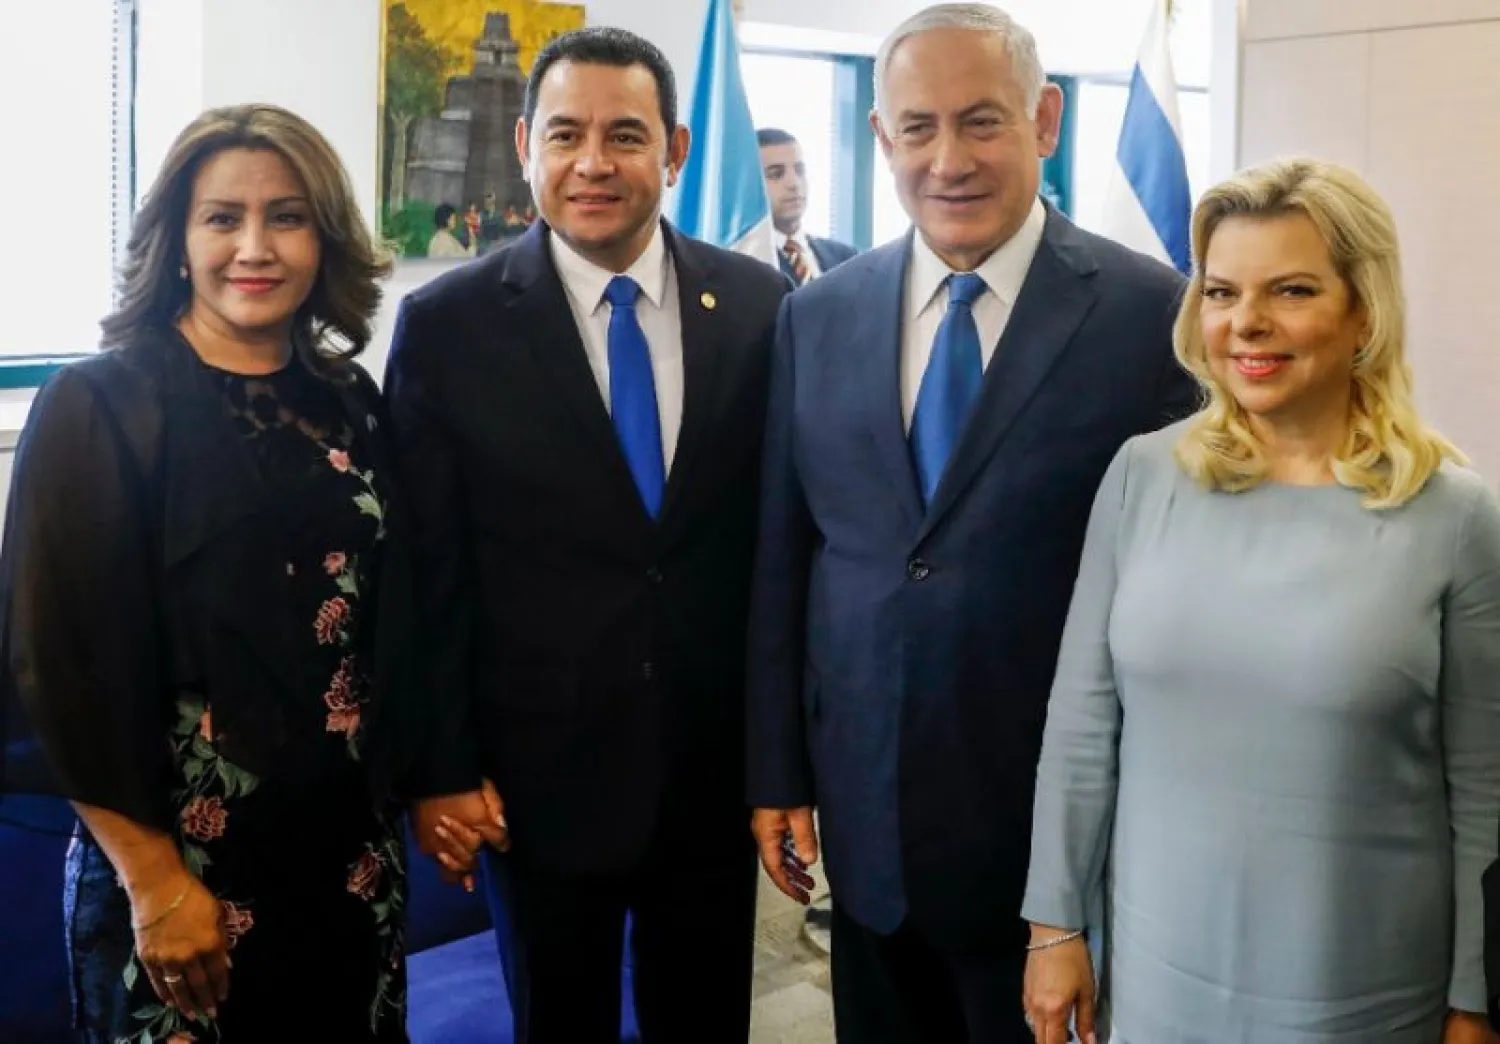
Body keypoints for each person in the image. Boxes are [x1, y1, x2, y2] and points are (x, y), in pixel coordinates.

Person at [745, 4, 1199, 1042]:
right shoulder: (817, 314)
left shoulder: (1148, 316)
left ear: (1045, 121)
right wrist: (777, 771)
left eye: (982, 121)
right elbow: (788, 557)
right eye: (919, 127)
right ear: (881, 139)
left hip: (1047, 846)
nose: (948, 159)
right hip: (866, 824)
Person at [1021, 158, 1500, 1044]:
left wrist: (1478, 998)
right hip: (1158, 975)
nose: (1247, 323)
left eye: (1291, 290)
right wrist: (1055, 926)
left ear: (1364, 311)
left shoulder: (1456, 513)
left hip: (1367, 992)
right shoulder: (1140, 476)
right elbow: (1081, 727)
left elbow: (1485, 788)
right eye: (1221, 291)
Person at [0, 104, 452, 1042]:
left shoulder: (349, 399)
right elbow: (55, 668)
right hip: (177, 869)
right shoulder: (98, 406)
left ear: (323, 241)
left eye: (287, 217)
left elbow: (392, 615)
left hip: (348, 860)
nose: (256, 246)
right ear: (176, 240)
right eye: (222, 218)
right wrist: (157, 881)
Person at [386, 26, 789, 1044]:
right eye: (566, 135)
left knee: (704, 1022)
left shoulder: (761, 309)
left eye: (625, 135)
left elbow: (783, 545)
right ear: (526, 144)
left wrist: (784, 758)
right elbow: (425, 567)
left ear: (677, 150)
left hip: (710, 773)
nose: (594, 163)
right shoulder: (449, 325)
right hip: (534, 779)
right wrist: (439, 764)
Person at [757, 127, 858, 286]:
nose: (794, 183)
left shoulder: (847, 258)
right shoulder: (748, 258)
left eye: (800, 170)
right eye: (776, 174)